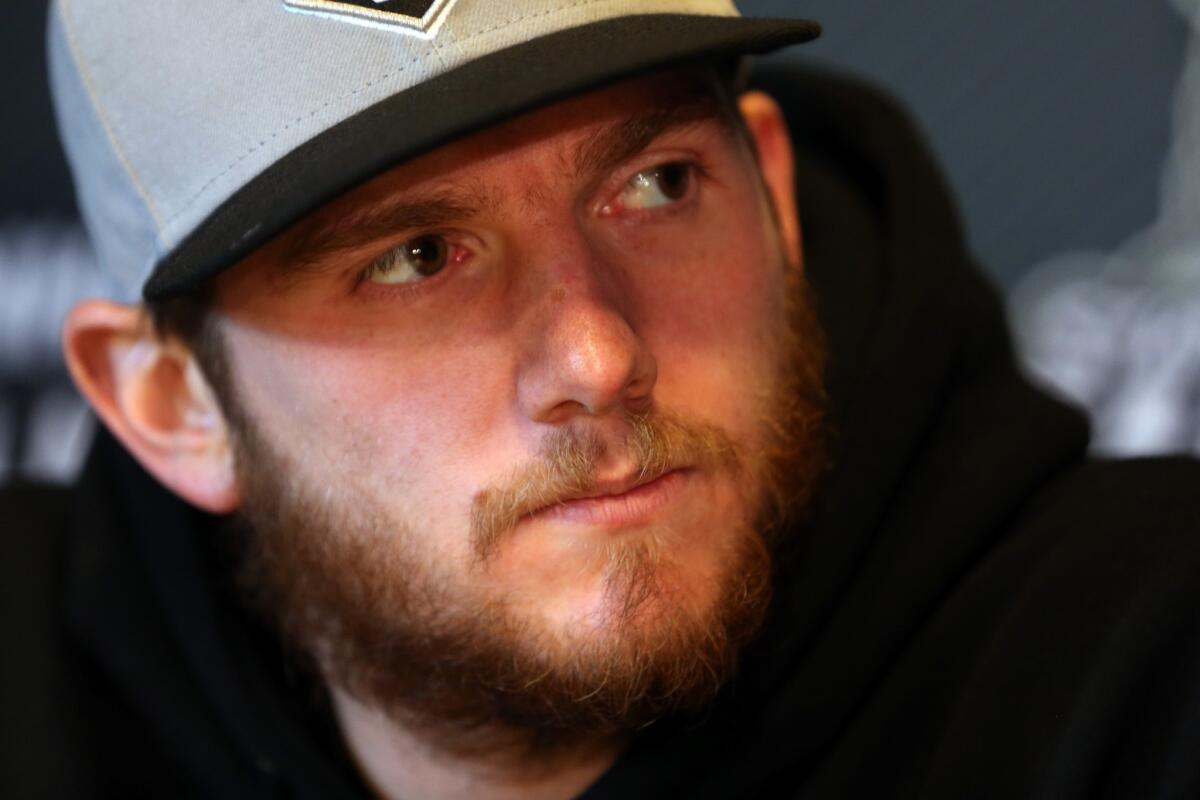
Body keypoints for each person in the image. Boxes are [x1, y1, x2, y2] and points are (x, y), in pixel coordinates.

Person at [5, 1, 1200, 798]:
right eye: (416, 256)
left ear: (771, 198)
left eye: (657, 183)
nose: (593, 352)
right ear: (171, 402)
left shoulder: (1149, 670)